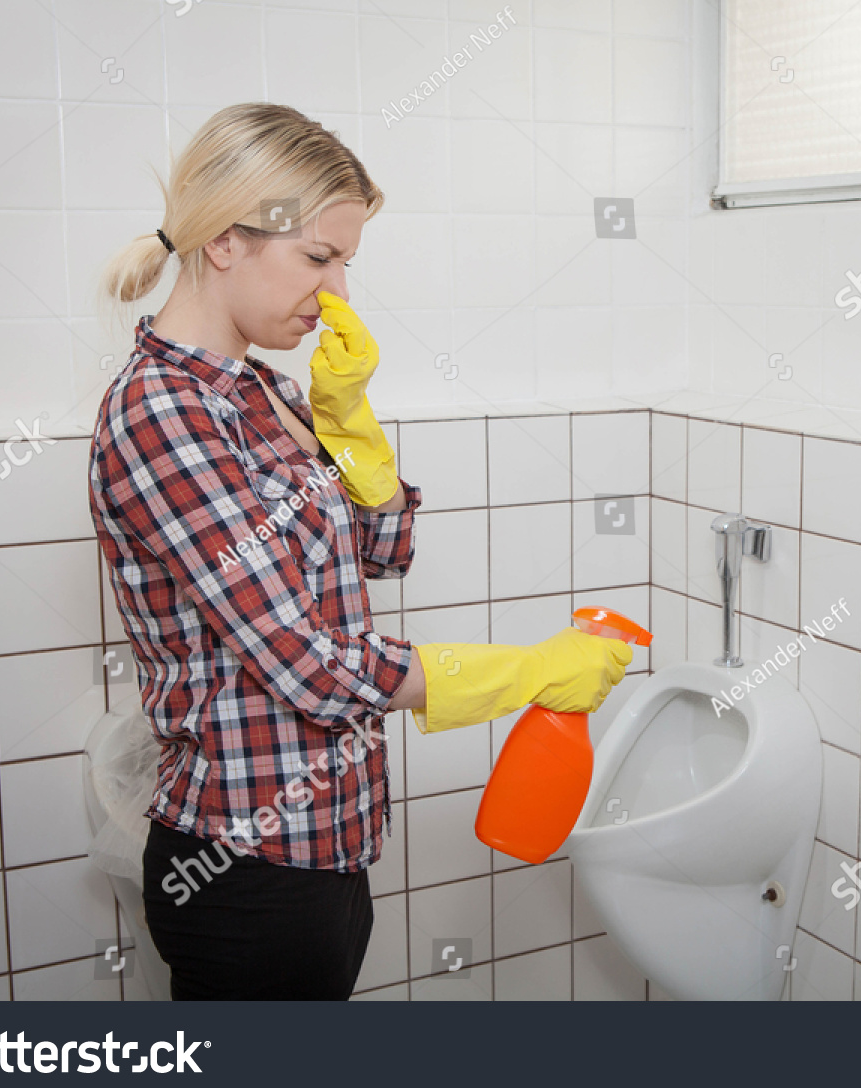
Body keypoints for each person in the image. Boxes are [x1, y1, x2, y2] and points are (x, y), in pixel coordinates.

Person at [89, 102, 631, 1000]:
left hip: (330, 845)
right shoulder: (163, 412)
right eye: (317, 257)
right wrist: (529, 672)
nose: (336, 290)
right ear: (226, 240)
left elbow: (387, 546)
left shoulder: (262, 391)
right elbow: (308, 666)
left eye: (345, 262)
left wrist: (348, 415)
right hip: (243, 867)